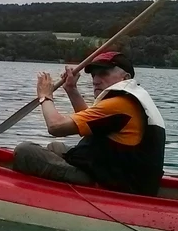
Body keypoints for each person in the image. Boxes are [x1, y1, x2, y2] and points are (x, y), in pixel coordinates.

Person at [11, 51, 166, 195]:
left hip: (114, 186)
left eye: (103, 73)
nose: (96, 80)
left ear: (125, 78)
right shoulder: (128, 101)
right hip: (116, 174)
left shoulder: (119, 105)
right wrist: (71, 89)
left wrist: (45, 96)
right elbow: (92, 124)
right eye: (94, 75)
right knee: (55, 147)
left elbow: (55, 126)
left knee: (24, 152)